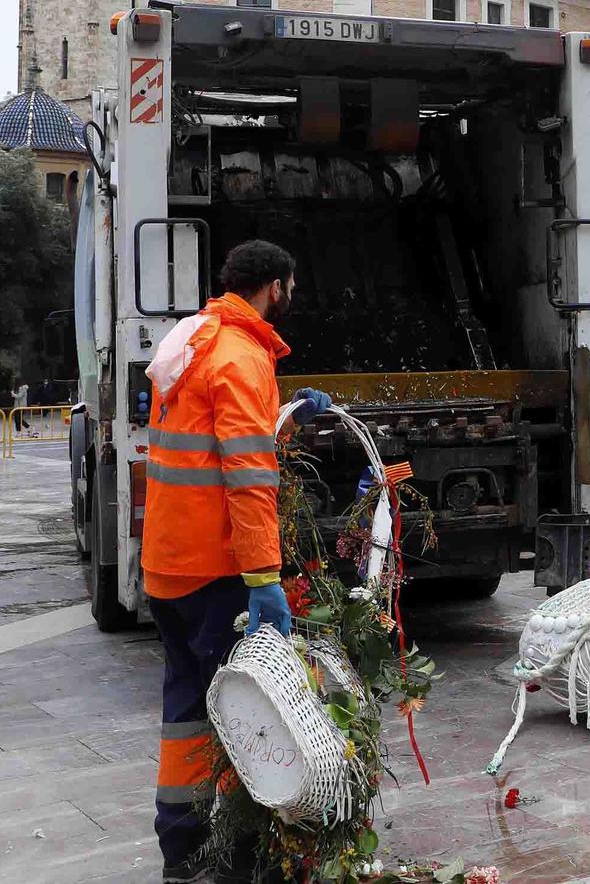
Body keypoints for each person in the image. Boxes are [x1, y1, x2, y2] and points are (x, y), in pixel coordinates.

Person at [141, 239, 332, 881]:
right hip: (217, 568)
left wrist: (290, 410)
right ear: (276, 286)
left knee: (186, 710)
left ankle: (184, 849)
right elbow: (248, 475)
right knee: (247, 710)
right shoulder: (242, 355)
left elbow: (209, 438)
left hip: (168, 565)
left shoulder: (192, 340)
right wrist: (263, 579)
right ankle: (249, 855)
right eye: (291, 287)